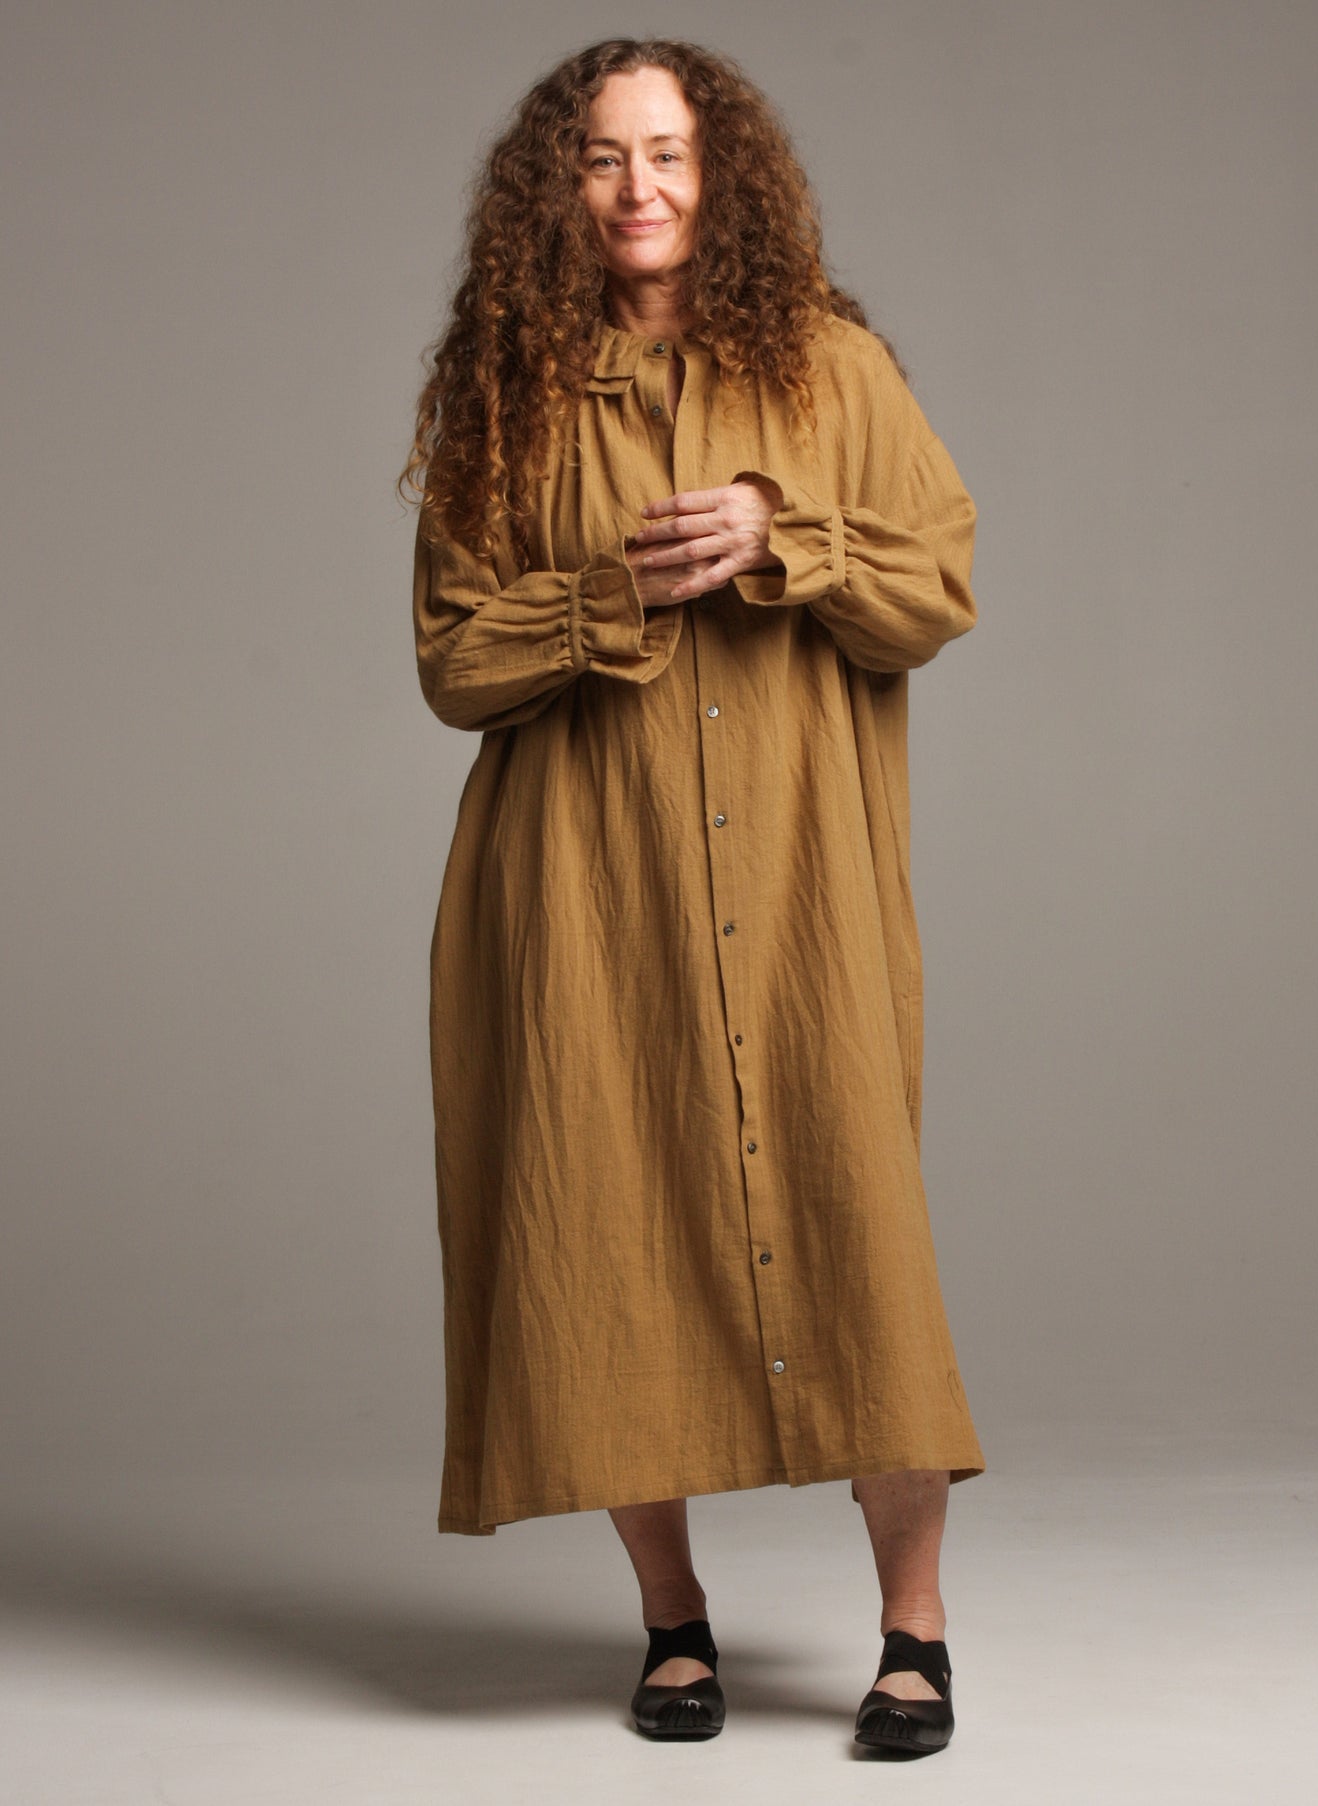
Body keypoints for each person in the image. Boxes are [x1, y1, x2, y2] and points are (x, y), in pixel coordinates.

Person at [398, 36, 986, 1754]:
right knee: (606, 1227)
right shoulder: (505, 397)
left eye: (665, 152)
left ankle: (915, 1628)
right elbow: (450, 660)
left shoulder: (828, 368)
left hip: (801, 885)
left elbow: (936, 583)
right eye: (600, 156)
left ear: (719, 174)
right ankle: (671, 1621)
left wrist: (780, 536)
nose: (636, 187)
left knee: (855, 1227)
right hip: (588, 888)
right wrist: (606, 596)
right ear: (557, 187)